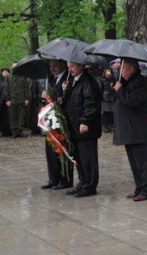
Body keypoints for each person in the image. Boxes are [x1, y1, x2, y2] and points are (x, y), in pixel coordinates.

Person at [113, 58, 147, 201]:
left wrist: (120, 90)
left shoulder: (141, 82)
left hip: (138, 129)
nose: (120, 72)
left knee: (142, 162)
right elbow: (116, 97)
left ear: (131, 69)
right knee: (134, 162)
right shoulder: (126, 82)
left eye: (123, 69)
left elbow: (133, 101)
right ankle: (139, 187)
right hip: (129, 129)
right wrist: (118, 88)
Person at [63, 60, 103, 197]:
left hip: (85, 128)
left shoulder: (88, 82)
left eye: (72, 66)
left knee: (88, 158)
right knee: (78, 158)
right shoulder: (73, 81)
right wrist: (65, 91)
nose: (70, 70)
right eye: (68, 67)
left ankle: (90, 185)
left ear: (81, 66)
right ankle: (82, 181)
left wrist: (85, 121)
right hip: (74, 126)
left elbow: (90, 104)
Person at [41, 59, 73, 190]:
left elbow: (68, 98)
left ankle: (65, 179)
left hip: (62, 120)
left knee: (62, 150)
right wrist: (44, 97)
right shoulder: (51, 79)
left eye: (55, 65)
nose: (52, 68)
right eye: (50, 66)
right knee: (51, 150)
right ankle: (53, 178)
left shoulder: (68, 78)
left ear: (62, 65)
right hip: (50, 120)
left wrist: (62, 96)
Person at [4, 66, 32, 138]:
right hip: (12, 100)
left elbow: (27, 88)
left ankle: (20, 130)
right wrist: (7, 99)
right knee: (12, 116)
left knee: (21, 116)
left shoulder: (23, 77)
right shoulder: (8, 77)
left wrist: (27, 98)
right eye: (13, 67)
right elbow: (6, 89)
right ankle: (14, 131)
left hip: (21, 99)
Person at [100, 67, 116, 133]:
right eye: (107, 71)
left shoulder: (113, 79)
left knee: (111, 113)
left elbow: (115, 89)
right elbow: (101, 89)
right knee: (105, 113)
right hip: (105, 98)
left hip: (111, 97)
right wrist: (101, 98)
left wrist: (112, 87)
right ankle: (106, 126)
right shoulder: (102, 79)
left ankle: (111, 125)